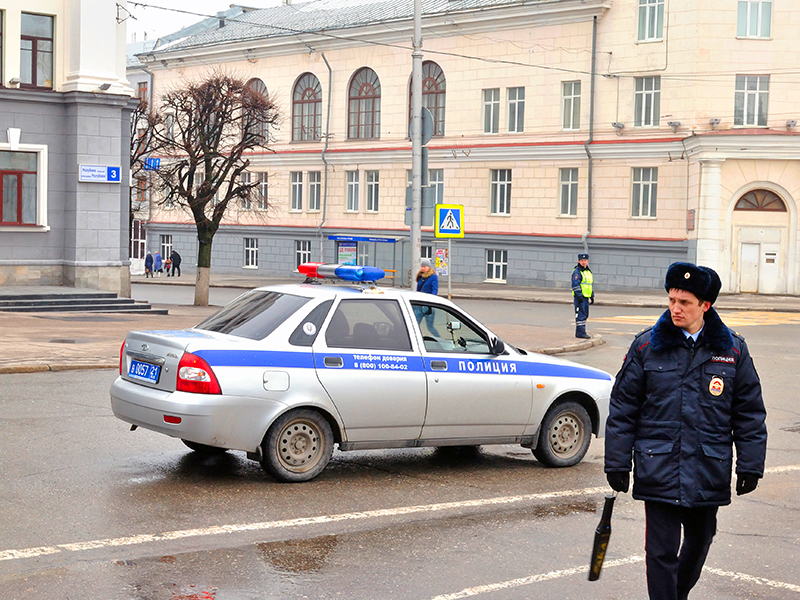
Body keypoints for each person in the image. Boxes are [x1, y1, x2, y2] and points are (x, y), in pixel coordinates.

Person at [604, 262, 767, 600]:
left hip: (708, 466)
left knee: (700, 541)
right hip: (659, 464)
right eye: (672, 300)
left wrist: (751, 465)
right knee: (660, 552)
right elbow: (623, 409)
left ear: (705, 305)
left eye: (685, 303)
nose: (676, 309)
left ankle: (677, 594)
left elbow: (749, 412)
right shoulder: (646, 347)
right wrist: (617, 462)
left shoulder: (732, 350)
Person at [571, 253, 594, 339]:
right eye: (582, 261)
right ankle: (580, 333)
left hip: (586, 297)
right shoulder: (577, 272)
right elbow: (575, 285)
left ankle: (582, 331)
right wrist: (579, 295)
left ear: (587, 261)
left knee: (584, 314)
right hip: (580, 297)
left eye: (585, 260)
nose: (583, 262)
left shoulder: (588, 271)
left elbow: (589, 284)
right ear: (579, 261)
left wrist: (592, 295)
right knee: (580, 315)